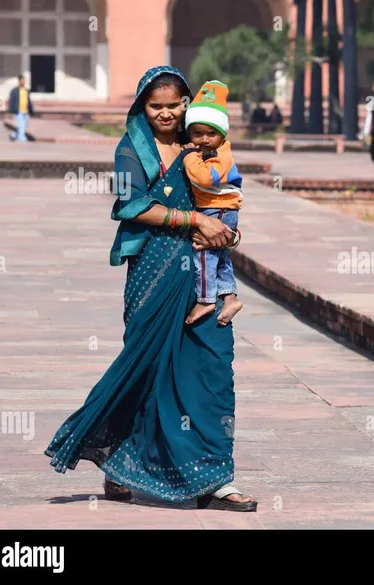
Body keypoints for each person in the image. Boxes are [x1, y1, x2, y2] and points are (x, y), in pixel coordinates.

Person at [44, 65, 258, 513]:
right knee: (146, 369)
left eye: (173, 104)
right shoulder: (131, 149)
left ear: (187, 104)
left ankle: (215, 477)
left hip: (204, 269)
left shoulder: (203, 144)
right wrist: (194, 220)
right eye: (155, 106)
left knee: (212, 369)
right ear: (142, 106)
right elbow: (130, 204)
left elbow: (228, 200)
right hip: (154, 270)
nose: (165, 113)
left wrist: (228, 234)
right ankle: (121, 465)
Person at [179, 79, 244, 327]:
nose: (204, 139)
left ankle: (206, 299)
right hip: (220, 207)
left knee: (204, 253)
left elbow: (204, 178)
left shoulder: (219, 155)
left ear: (222, 134)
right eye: (197, 133)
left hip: (218, 207)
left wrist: (188, 156)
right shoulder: (213, 151)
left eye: (211, 134)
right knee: (220, 257)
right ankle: (229, 297)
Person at [8, 74, 33, 142]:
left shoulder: (26, 90)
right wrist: (11, 110)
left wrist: (31, 110)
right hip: (18, 111)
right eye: (22, 81)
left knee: (24, 125)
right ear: (19, 81)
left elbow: (29, 101)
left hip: (26, 111)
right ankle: (22, 139)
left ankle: (14, 135)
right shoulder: (14, 91)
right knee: (21, 125)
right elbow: (11, 101)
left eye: (24, 81)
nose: (23, 82)